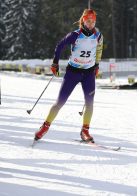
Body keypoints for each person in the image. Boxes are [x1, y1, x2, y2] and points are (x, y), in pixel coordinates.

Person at [33, 9, 103, 142]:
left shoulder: (98, 36)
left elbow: (98, 50)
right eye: (88, 21)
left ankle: (85, 131)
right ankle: (44, 127)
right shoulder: (75, 35)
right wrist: (55, 63)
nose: (91, 24)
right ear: (83, 21)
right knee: (60, 102)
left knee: (89, 103)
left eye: (93, 21)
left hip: (88, 73)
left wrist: (96, 65)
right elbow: (60, 45)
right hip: (73, 72)